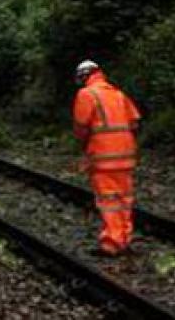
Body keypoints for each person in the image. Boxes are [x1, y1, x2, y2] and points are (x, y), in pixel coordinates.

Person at [72, 59, 142, 256]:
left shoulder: (86, 95)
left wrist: (86, 144)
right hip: (126, 157)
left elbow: (81, 127)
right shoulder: (118, 94)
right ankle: (124, 238)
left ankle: (112, 243)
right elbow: (135, 122)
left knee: (109, 201)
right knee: (124, 199)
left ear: (83, 76)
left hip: (103, 157)